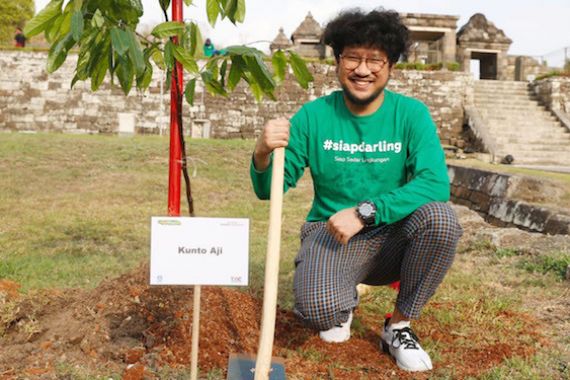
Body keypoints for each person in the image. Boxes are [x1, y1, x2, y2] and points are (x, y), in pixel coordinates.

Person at [250, 8, 463, 372]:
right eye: (352, 57)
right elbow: (270, 190)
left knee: (440, 220)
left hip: (393, 233)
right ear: (336, 61)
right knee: (320, 312)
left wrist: (366, 212)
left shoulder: (411, 115)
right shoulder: (314, 116)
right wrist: (262, 152)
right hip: (332, 233)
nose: (362, 70)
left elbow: (435, 184)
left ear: (390, 65)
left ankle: (398, 326)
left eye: (374, 60)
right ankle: (340, 300)